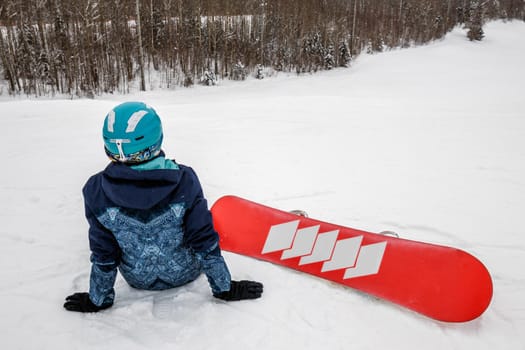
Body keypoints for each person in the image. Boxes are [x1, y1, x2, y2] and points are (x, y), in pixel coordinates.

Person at [64, 101, 263, 313]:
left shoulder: (95, 190)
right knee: (203, 220)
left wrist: (98, 299)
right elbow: (203, 240)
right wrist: (225, 288)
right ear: (157, 139)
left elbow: (104, 252)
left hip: (138, 278)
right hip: (186, 271)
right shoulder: (184, 180)